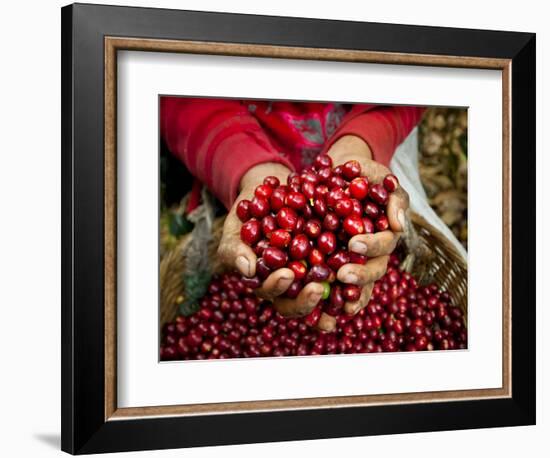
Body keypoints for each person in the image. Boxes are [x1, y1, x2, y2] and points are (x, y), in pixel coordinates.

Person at [161, 98, 425, 331]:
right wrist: (247, 168)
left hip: (366, 129)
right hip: (229, 149)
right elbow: (176, 94)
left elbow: (415, 72)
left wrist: (363, 140)